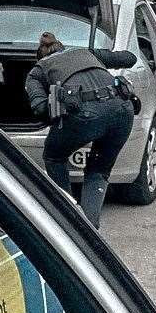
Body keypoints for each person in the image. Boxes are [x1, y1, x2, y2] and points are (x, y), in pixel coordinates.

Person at [25, 32, 138, 229]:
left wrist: (57, 107)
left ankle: (68, 219)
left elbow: (40, 109)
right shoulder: (87, 53)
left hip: (83, 117)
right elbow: (130, 58)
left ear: (40, 56)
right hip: (122, 110)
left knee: (53, 157)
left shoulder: (38, 70)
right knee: (99, 170)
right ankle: (89, 227)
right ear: (62, 46)